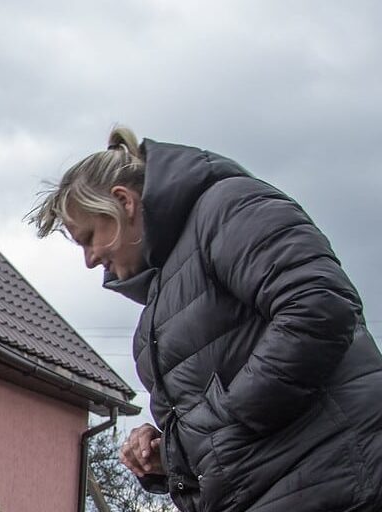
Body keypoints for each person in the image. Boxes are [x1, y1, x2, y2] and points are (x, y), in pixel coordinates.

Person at [28, 127, 382, 511]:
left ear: (123, 202)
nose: (90, 260)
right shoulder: (163, 297)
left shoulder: (228, 208)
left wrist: (222, 420)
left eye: (87, 237)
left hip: (337, 484)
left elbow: (318, 307)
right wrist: (166, 454)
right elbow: (219, 427)